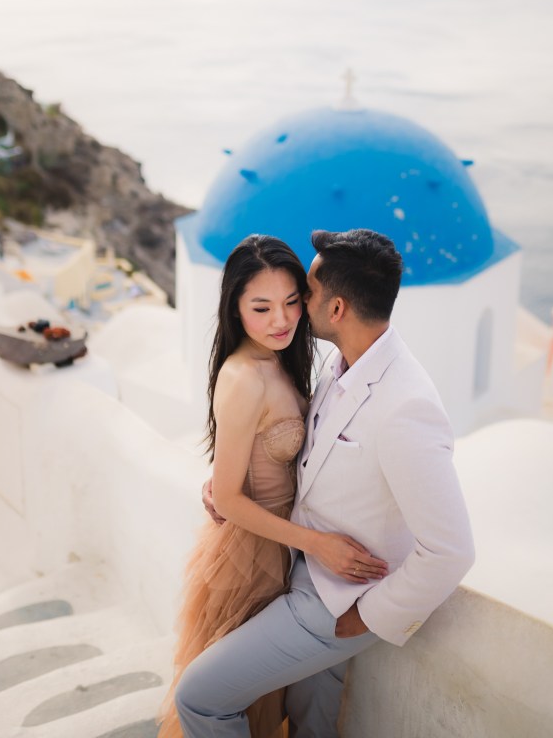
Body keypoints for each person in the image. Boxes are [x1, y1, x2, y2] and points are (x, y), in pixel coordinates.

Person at [176, 227, 475, 738]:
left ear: (335, 310)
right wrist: (228, 484)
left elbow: (452, 550)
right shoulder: (342, 363)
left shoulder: (406, 405)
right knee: (309, 714)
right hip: (291, 565)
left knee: (200, 697)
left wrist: (367, 618)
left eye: (302, 296)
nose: (290, 314)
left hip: (336, 599)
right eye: (267, 305)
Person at [158, 235, 387, 738]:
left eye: (291, 303)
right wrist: (318, 544)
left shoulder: (284, 358)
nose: (281, 320)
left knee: (282, 688)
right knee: (230, 694)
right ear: (235, 309)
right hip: (256, 552)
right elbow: (231, 500)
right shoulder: (242, 377)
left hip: (291, 548)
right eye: (261, 307)